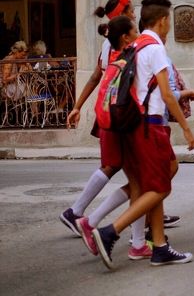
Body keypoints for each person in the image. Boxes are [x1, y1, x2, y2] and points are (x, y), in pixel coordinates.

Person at [92, 0, 194, 268]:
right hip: (151, 126)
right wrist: (186, 129)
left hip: (133, 125)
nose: (169, 27)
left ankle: (159, 246)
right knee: (159, 187)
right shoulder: (155, 48)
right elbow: (167, 94)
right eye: (169, 22)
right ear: (162, 21)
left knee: (153, 184)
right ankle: (109, 232)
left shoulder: (135, 45)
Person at [61, 0, 174, 238]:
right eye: (131, 10)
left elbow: (99, 77)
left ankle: (136, 234)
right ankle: (89, 218)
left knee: (133, 175)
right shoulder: (128, 46)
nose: (134, 14)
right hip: (125, 114)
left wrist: (78, 105)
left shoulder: (122, 42)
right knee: (127, 172)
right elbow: (105, 78)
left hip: (117, 112)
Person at [76, 15, 153, 260]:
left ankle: (137, 242)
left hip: (113, 127)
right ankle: (93, 222)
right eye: (135, 31)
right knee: (140, 184)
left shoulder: (114, 59)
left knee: (138, 184)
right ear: (125, 37)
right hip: (125, 129)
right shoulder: (129, 59)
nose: (138, 35)